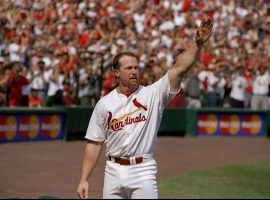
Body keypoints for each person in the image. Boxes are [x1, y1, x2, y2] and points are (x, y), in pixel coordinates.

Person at [76, 16, 213, 199]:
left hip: (142, 169)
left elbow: (179, 68)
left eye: (136, 67)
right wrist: (84, 179)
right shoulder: (104, 103)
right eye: (128, 68)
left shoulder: (152, 94)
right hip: (113, 171)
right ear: (117, 72)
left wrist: (197, 44)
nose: (134, 71)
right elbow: (94, 143)